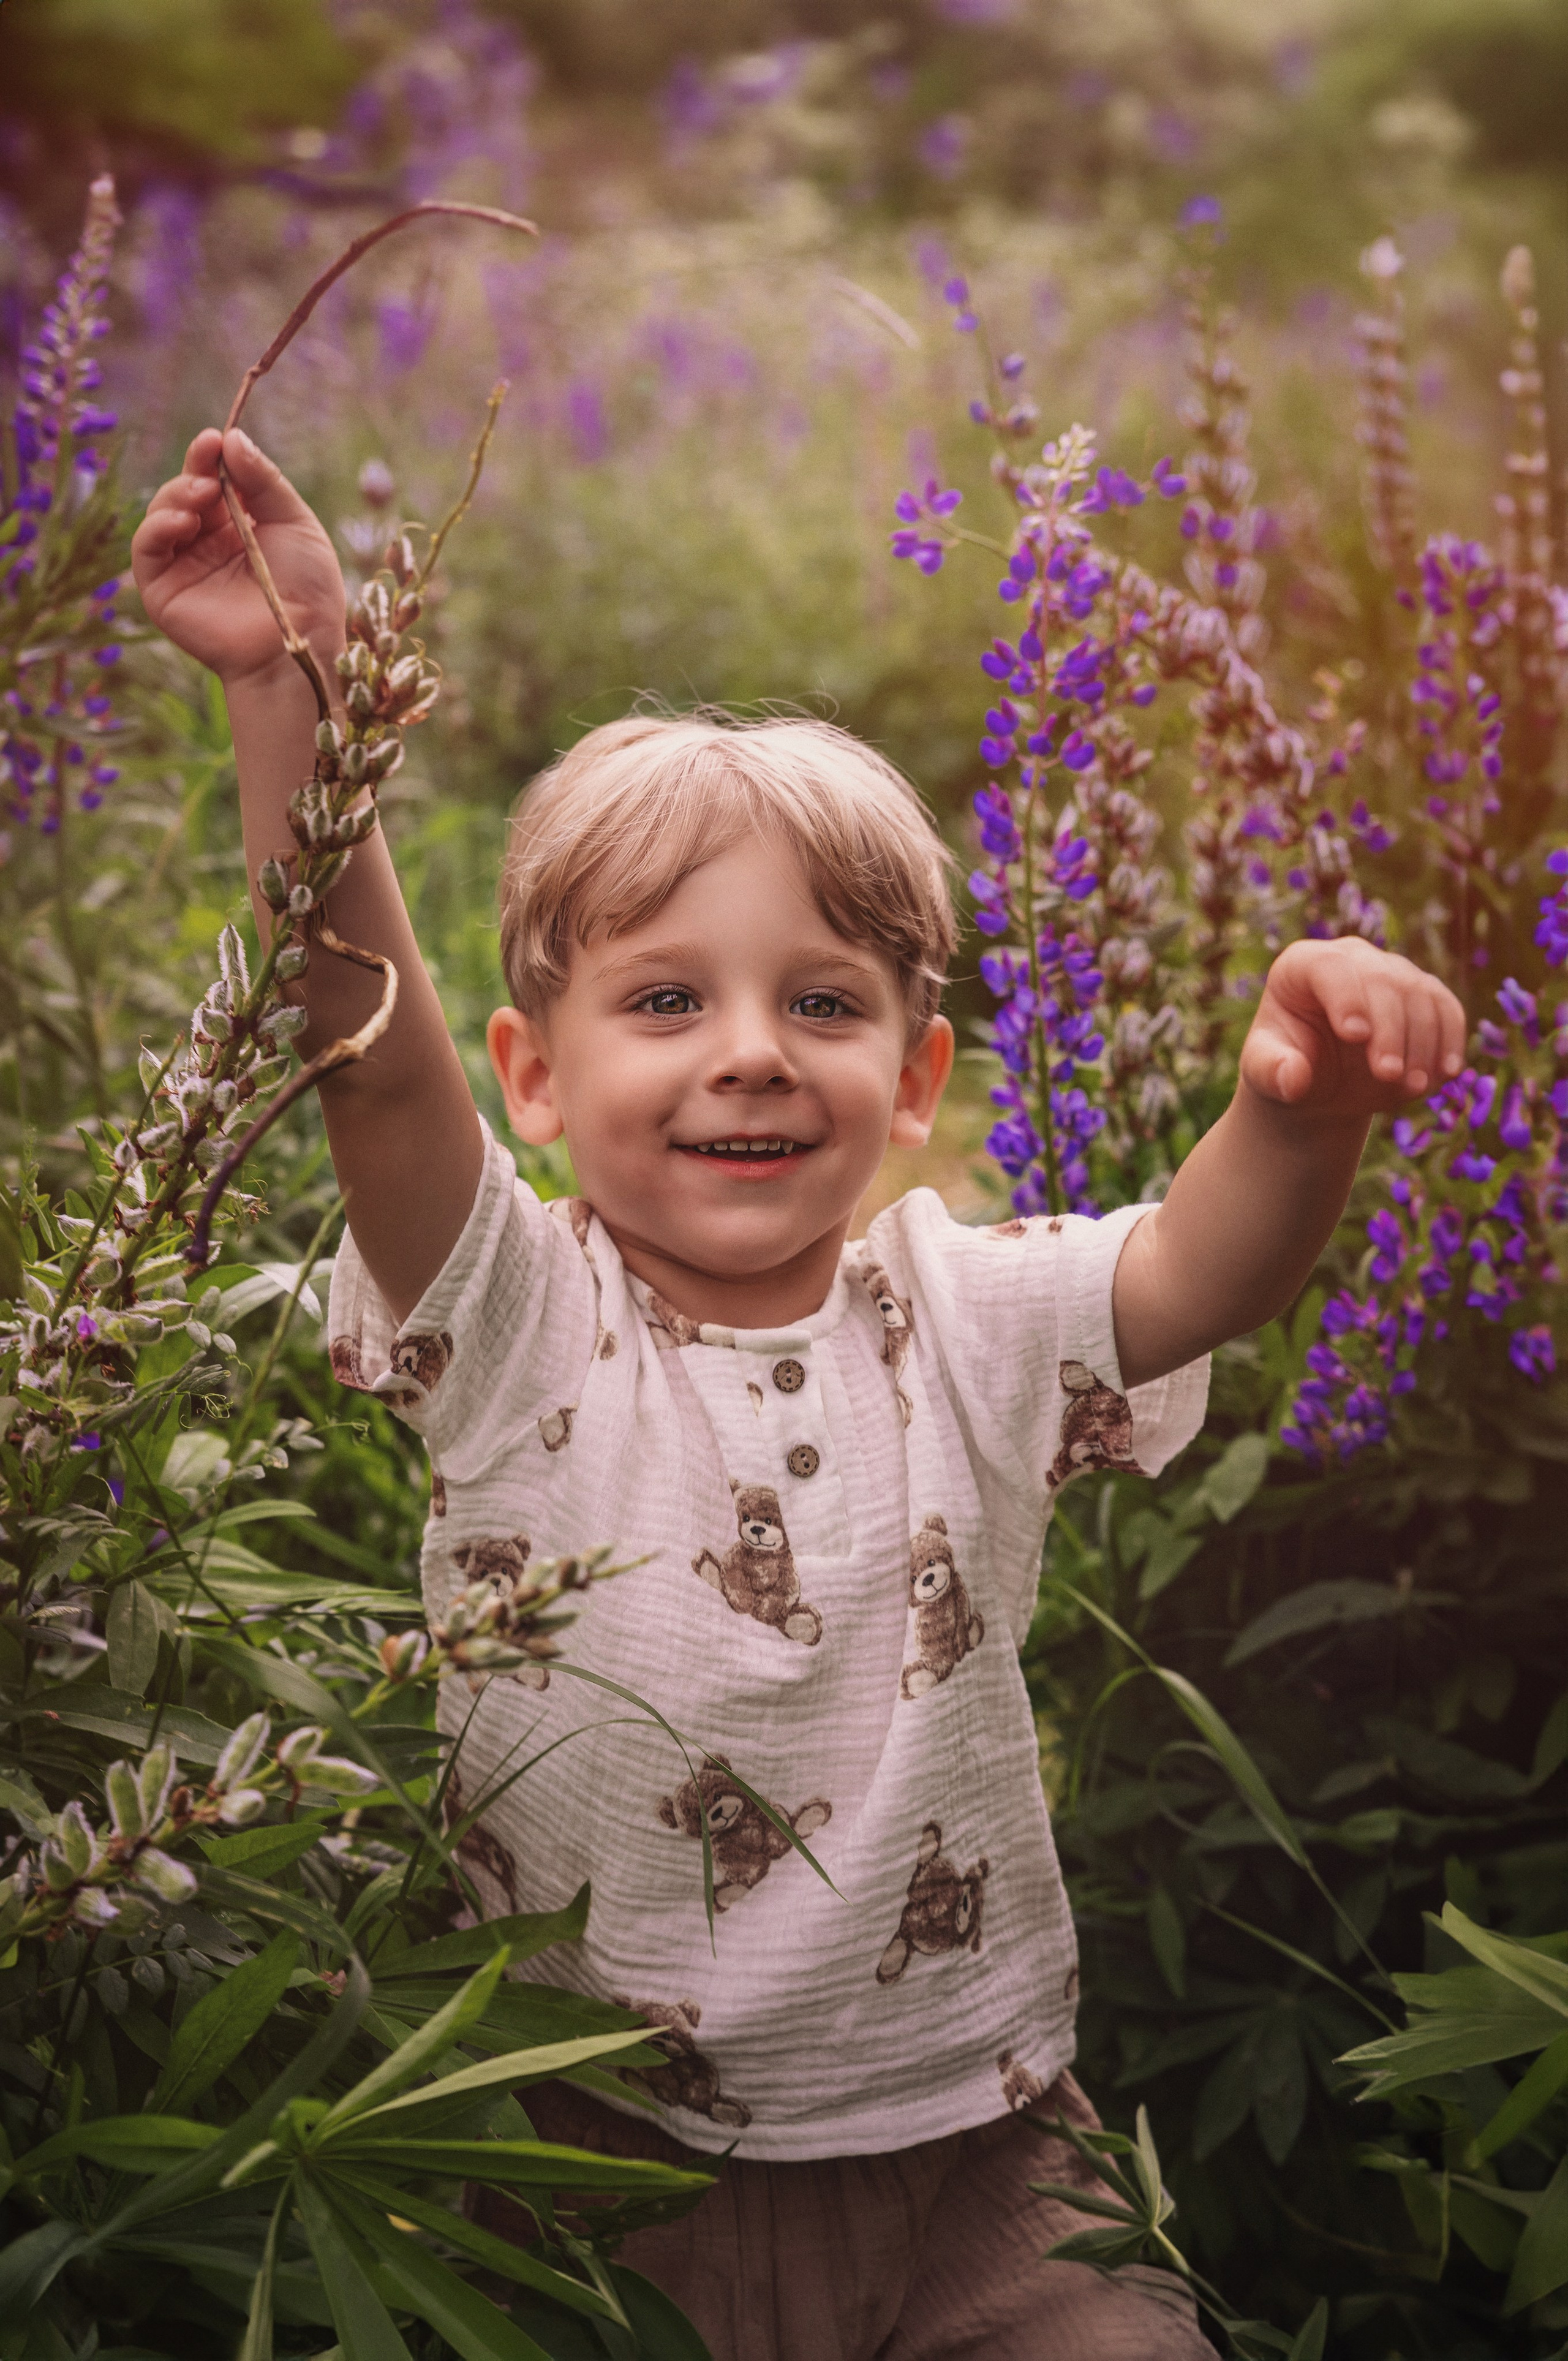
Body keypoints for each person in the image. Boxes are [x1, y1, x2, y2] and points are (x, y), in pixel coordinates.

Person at [132, 429, 1464, 2361]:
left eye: (822, 1002)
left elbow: (1200, 1272)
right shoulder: (517, 1321)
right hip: (582, 2152)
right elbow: (369, 1055)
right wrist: (292, 687)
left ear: (915, 1082)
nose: (751, 1052)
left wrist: (1301, 1111)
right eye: (666, 1000)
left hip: (983, 2153)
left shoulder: (968, 1315)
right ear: (536, 1076)